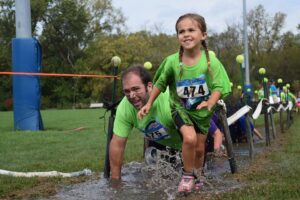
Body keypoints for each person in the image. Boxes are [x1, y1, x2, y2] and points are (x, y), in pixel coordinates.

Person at [137, 13, 231, 193]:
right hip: (180, 108)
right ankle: (187, 176)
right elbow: (160, 83)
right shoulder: (173, 61)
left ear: (203, 35)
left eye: (191, 30)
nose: (186, 34)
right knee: (189, 139)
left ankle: (198, 175)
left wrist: (210, 103)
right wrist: (148, 103)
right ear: (177, 36)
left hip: (203, 112)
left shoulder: (210, 59)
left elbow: (219, 85)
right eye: (181, 31)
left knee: (200, 149)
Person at [109, 65, 227, 190]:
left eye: (136, 89)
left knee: (198, 181)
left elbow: (195, 141)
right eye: (126, 91)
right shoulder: (124, 108)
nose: (131, 96)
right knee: (159, 181)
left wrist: (195, 178)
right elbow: (117, 144)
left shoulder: (168, 102)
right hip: (166, 143)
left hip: (194, 141)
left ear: (150, 86)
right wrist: (116, 182)